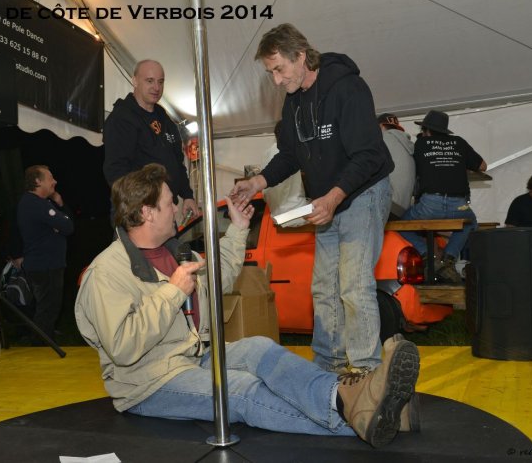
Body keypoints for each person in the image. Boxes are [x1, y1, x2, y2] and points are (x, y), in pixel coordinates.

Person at [74, 164, 420, 448]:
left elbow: (218, 281)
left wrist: (239, 229)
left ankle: (348, 397)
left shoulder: (174, 252)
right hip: (147, 383)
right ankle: (362, 419)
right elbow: (122, 346)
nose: (178, 208)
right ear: (147, 212)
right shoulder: (107, 271)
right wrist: (173, 292)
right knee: (239, 390)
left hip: (193, 356)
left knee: (260, 349)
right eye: (169, 203)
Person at [229, 23, 395, 376]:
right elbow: (290, 155)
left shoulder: (348, 88)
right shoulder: (294, 102)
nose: (276, 80)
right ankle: (328, 369)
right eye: (271, 73)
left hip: (363, 191)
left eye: (279, 69)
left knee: (354, 285)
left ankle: (366, 372)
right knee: (323, 287)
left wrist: (334, 197)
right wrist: (256, 182)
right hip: (327, 201)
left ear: (301, 56)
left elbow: (368, 155)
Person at [103, 59, 199, 221]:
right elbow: (115, 171)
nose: (156, 87)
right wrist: (140, 204)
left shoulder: (164, 118)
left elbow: (177, 163)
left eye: (160, 82)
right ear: (134, 81)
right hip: (138, 211)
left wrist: (187, 195)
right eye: (150, 81)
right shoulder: (122, 118)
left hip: (165, 210)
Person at [399, 110, 487, 283]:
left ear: (426, 131)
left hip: (430, 205)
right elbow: (483, 166)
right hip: (459, 205)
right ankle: (449, 258)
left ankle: (428, 254)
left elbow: (411, 168)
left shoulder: (421, 144)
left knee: (400, 226)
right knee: (471, 223)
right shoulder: (459, 142)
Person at [17, 165, 74, 341]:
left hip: (47, 264)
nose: (54, 181)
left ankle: (43, 341)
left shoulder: (41, 203)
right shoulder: (34, 203)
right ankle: (41, 346)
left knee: (49, 308)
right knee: (47, 309)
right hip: (45, 265)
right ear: (37, 181)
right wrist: (59, 224)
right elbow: (67, 226)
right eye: (50, 178)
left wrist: (60, 204)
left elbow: (67, 225)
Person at [378, 113, 415, 217]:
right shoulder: (406, 145)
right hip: (402, 208)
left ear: (380, 126)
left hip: (389, 205)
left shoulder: (382, 139)